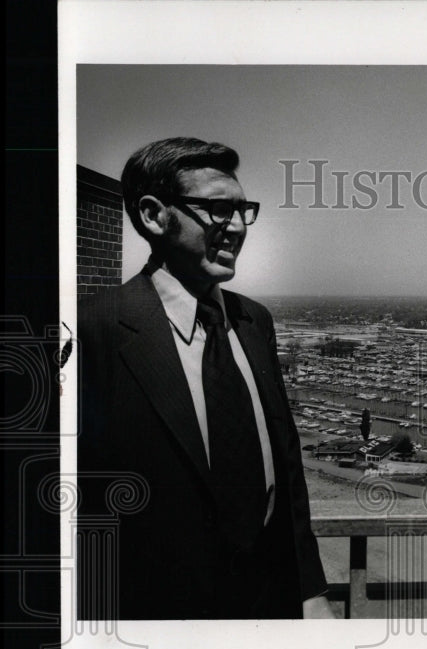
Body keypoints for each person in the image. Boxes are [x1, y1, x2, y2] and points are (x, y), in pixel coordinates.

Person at [77, 137, 333, 620]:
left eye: (243, 211)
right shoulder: (93, 331)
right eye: (218, 209)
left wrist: (310, 589)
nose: (236, 227)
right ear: (154, 215)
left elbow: (286, 464)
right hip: (159, 621)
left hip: (272, 607)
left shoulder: (255, 322)